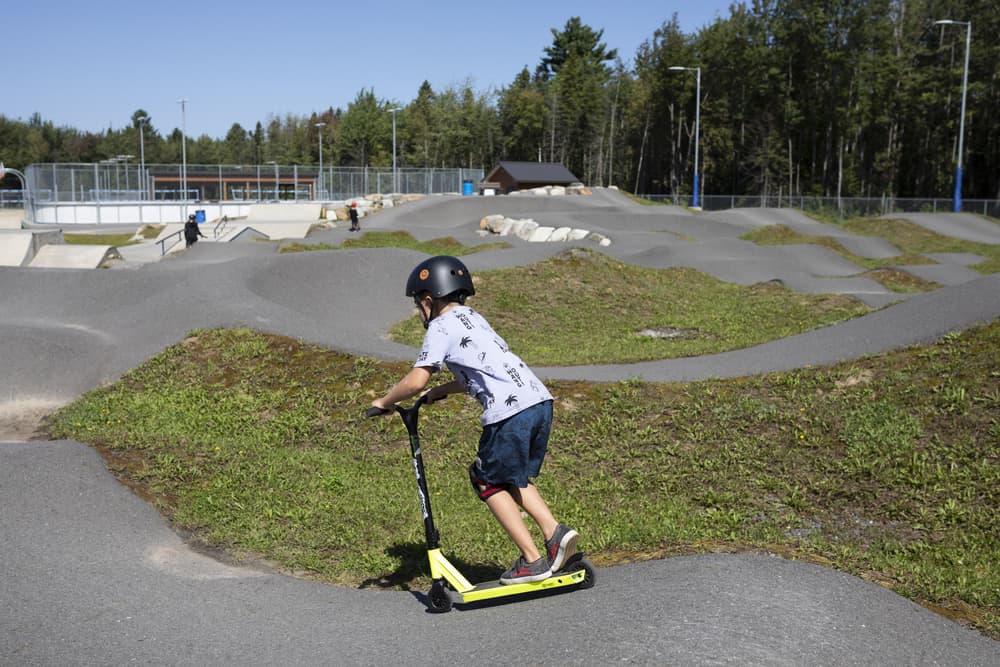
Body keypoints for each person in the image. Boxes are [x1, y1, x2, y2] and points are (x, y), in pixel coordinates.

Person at [371, 255, 578, 584]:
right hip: (538, 401)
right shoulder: (473, 319)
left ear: (428, 300)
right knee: (511, 476)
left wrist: (384, 401)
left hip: (510, 412)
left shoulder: (440, 326)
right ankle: (557, 535)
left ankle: (532, 561)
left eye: (417, 306)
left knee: (485, 479)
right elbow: (484, 370)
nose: (419, 313)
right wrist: (445, 390)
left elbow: (415, 380)